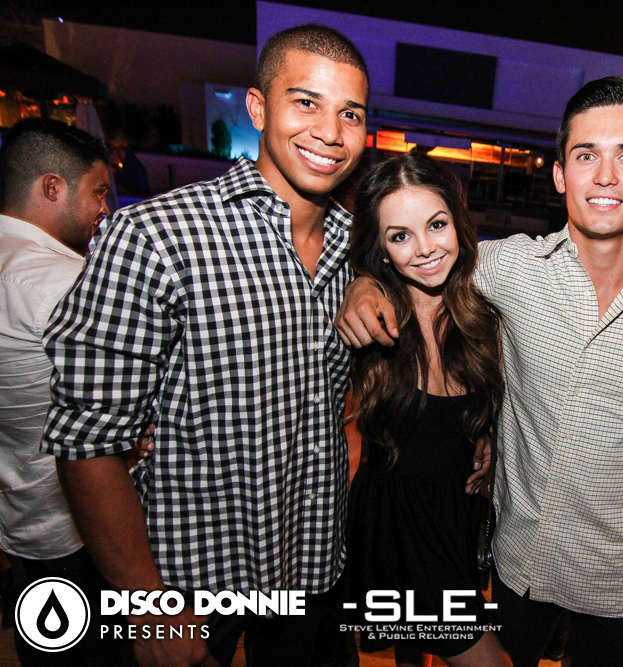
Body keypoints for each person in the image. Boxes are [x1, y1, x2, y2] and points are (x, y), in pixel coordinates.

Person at [335, 76, 623, 667]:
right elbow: (413, 254)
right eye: (586, 156)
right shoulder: (505, 267)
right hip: (519, 560)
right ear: (560, 175)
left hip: (621, 575)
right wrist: (362, 282)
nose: (605, 177)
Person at [42, 24, 369, 667]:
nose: (330, 132)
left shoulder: (360, 247)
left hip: (313, 569)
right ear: (258, 108)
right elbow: (87, 441)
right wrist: (146, 606)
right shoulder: (156, 236)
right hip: (190, 582)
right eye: (306, 102)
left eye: (350, 113)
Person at [344, 153, 509, 666]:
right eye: (400, 236)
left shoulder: (483, 312)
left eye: (437, 225)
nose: (425, 248)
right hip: (399, 525)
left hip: (457, 514)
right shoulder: (370, 317)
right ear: (381, 249)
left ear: (458, 223)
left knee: (416, 653)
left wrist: (489, 435)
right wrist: (359, 282)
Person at [0, 118, 128, 665]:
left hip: (21, 523)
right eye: (98, 192)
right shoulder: (65, 282)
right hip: (82, 531)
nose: (106, 208)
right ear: (52, 187)